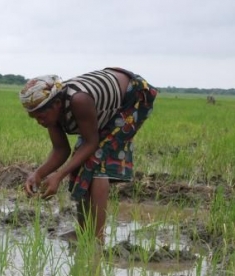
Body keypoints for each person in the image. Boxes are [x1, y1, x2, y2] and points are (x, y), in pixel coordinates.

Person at [19, 68, 157, 243]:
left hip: (132, 97)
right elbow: (61, 150)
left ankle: (96, 237)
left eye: (41, 116)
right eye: (34, 118)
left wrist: (58, 176)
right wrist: (38, 174)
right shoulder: (51, 115)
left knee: (97, 161)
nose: (40, 121)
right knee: (80, 161)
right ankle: (84, 232)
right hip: (104, 103)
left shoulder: (79, 100)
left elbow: (92, 143)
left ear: (56, 104)